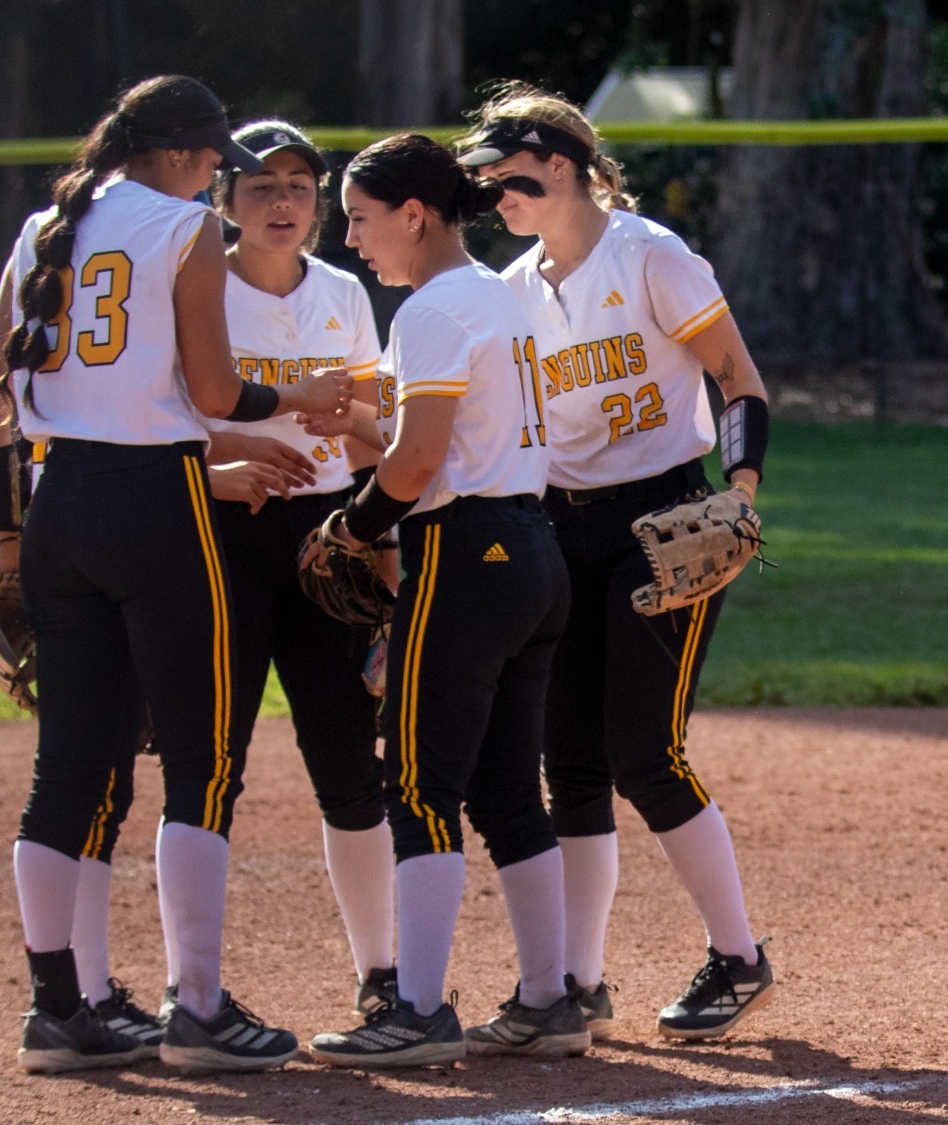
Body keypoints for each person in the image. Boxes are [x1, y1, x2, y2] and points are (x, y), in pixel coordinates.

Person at [0, 74, 351, 1075]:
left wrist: (6, 545)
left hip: (57, 508)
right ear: (185, 158)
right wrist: (298, 394)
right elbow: (217, 388)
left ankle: (60, 1009)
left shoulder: (43, 229)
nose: (212, 185)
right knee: (201, 766)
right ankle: (199, 1009)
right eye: (213, 166)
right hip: (159, 508)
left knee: (69, 769)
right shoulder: (180, 229)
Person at [457, 82, 776, 1041]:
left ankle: (739, 955)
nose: (494, 196)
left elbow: (737, 378)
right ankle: (575, 982)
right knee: (572, 761)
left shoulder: (650, 257)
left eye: (507, 175)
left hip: (664, 516)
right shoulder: (512, 290)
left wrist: (741, 492)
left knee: (645, 748)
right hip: (560, 526)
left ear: (560, 164)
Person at [299, 134, 584, 1069]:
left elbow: (418, 467)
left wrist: (350, 522)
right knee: (509, 790)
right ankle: (550, 998)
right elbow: (448, 442)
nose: (349, 238)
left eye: (361, 215)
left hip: (464, 557)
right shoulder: (496, 296)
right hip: (532, 550)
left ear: (414, 214)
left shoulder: (431, 307)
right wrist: (364, 427)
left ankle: (416, 1008)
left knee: (419, 786)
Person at [200, 120, 400, 1017]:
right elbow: (154, 416)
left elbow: (370, 434)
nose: (281, 202)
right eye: (259, 187)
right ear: (227, 203)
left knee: (350, 764)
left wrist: (379, 541)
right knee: (213, 763)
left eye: (298, 186)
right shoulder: (199, 291)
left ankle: (382, 972)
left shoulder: (344, 293)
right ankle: (195, 989)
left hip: (325, 542)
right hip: (225, 532)